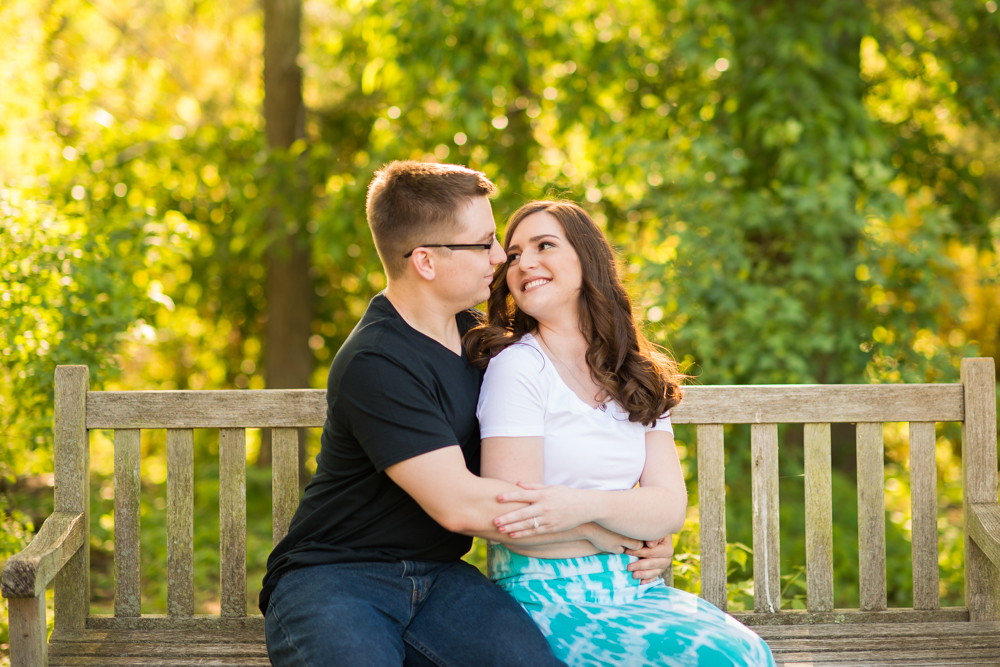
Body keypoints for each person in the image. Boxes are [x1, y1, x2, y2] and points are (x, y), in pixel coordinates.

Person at [260, 162, 671, 667]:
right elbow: (462, 505)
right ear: (426, 261)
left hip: (439, 576)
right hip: (337, 578)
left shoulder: (479, 339)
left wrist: (639, 531)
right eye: (484, 244)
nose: (501, 258)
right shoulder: (377, 360)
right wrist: (615, 536)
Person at [464, 200, 777, 667]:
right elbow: (519, 525)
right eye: (512, 254)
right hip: (546, 597)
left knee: (747, 652)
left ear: (587, 259)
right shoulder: (519, 368)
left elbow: (668, 508)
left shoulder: (633, 372)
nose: (523, 262)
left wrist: (581, 507)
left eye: (544, 245)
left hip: (635, 587)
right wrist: (611, 531)